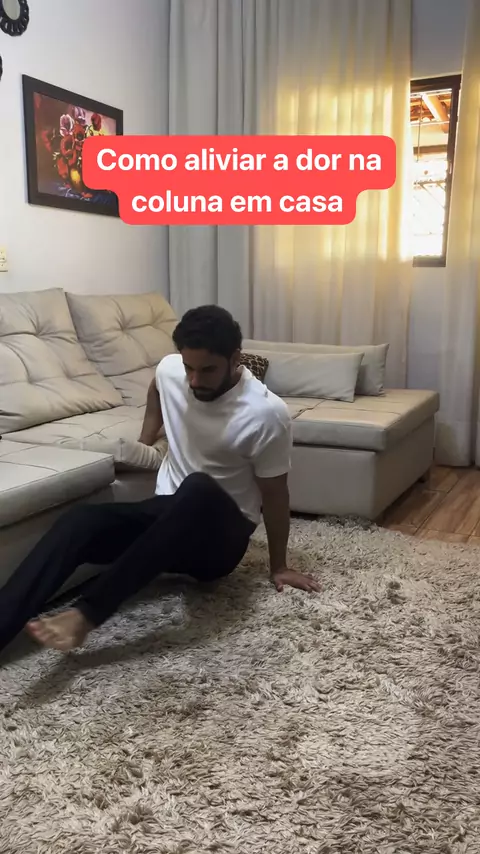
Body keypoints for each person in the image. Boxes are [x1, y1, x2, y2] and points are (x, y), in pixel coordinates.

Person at [0, 305, 320, 655]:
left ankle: (87, 614)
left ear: (235, 359)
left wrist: (279, 566)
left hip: (218, 544)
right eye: (189, 368)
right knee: (80, 521)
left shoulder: (266, 413)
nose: (194, 380)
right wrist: (145, 440)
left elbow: (275, 494)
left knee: (197, 488)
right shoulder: (170, 369)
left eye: (207, 370)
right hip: (165, 523)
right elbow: (156, 388)